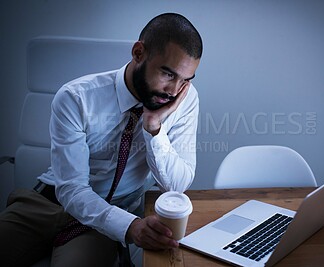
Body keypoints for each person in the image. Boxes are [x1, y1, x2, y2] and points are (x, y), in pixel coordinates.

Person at [0, 13, 202, 267]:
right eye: (168, 74)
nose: (174, 91)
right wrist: (132, 227)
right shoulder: (75, 98)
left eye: (185, 80)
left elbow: (178, 184)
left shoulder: (185, 100)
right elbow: (72, 189)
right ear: (139, 53)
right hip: (45, 204)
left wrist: (154, 129)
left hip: (107, 219)